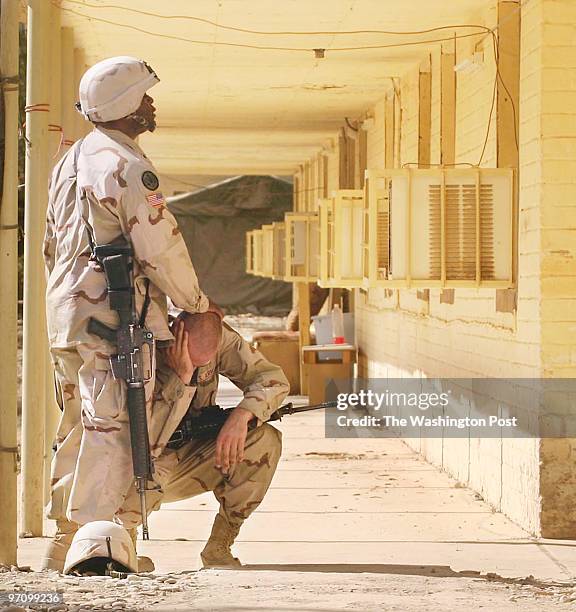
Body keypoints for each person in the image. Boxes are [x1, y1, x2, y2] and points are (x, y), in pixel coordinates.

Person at [42, 57, 220, 568]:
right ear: (124, 107)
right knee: (111, 426)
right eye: (144, 97)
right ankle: (95, 550)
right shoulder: (126, 166)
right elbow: (159, 247)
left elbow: (52, 242)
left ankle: (63, 540)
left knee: (78, 423)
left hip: (70, 316)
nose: (151, 104)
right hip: (112, 317)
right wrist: (196, 306)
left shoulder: (70, 161)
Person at [49, 313, 289, 571]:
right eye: (191, 362)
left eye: (203, 365)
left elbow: (272, 379)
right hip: (133, 459)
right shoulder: (136, 352)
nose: (198, 369)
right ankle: (119, 546)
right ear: (175, 333)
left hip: (184, 455)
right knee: (124, 463)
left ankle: (219, 546)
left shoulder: (216, 337)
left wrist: (243, 415)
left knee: (265, 440)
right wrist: (181, 379)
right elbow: (142, 436)